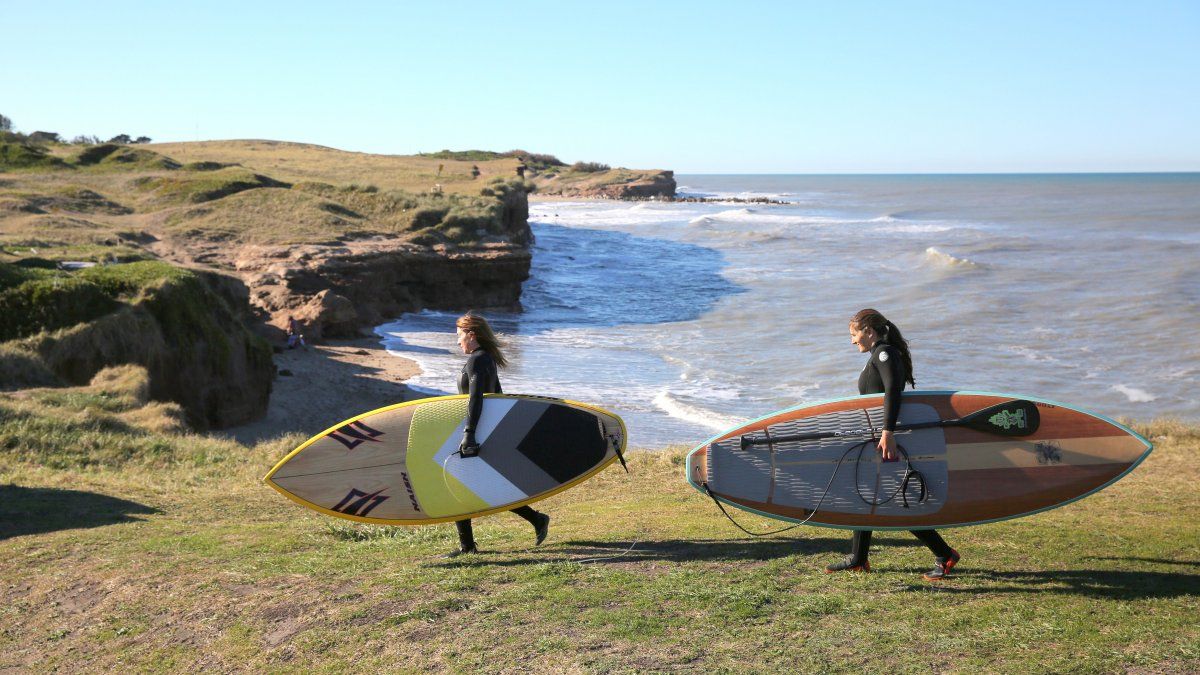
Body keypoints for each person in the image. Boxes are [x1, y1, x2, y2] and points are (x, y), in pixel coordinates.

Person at [824, 308, 961, 581]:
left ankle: (944, 553)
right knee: (867, 492)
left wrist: (888, 432)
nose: (852, 341)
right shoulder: (878, 355)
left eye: (854, 334)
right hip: (877, 438)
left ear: (869, 332)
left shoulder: (885, 354)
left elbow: (893, 394)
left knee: (894, 499)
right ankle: (858, 558)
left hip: (885, 440)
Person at [446, 312, 550, 557]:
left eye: (459, 335)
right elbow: (500, 398)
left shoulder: (477, 360)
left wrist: (469, 433)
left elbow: (476, 400)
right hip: (480, 431)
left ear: (472, 334)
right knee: (475, 486)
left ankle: (468, 546)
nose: (458, 341)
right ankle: (535, 519)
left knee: (463, 485)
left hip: (475, 433)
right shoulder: (486, 359)